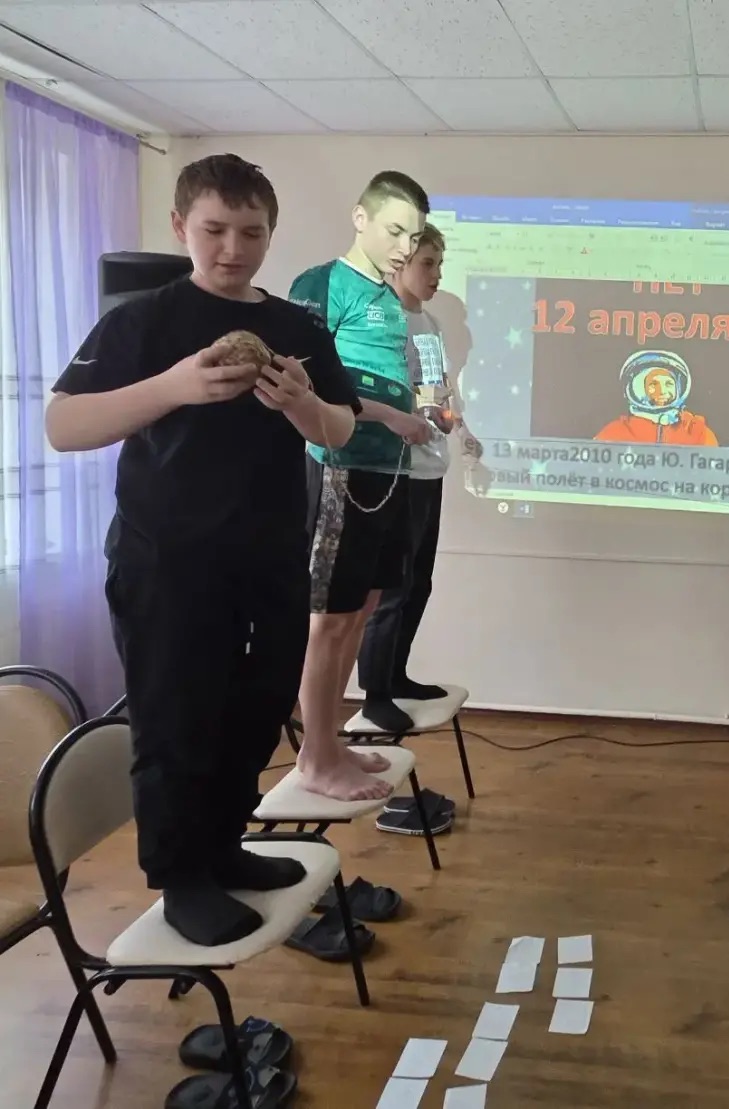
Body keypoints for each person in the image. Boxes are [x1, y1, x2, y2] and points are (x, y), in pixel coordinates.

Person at [45, 154, 359, 946]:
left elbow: (340, 429)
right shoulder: (142, 321)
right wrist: (174, 386)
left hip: (270, 555)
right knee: (175, 717)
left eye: (251, 233)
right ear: (181, 226)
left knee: (258, 709)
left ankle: (224, 844)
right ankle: (181, 874)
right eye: (215, 230)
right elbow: (63, 425)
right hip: (166, 560)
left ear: (270, 234)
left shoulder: (297, 327)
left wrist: (302, 405)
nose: (232, 249)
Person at [290, 171, 431, 802]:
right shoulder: (322, 284)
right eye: (395, 231)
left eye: (415, 237)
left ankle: (330, 741)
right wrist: (392, 417)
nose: (405, 248)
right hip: (340, 467)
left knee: (364, 608)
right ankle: (314, 757)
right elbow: (308, 381)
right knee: (330, 618)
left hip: (389, 472)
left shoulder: (390, 299)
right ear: (360, 218)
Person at [354, 224, 481, 834]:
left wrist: (458, 423)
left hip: (429, 468)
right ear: (398, 263)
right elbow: (367, 396)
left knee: (419, 581)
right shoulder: (379, 324)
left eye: (439, 264)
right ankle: (375, 693)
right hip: (395, 471)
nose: (436, 275)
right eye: (428, 263)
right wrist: (412, 415)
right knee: (391, 587)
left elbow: (436, 392)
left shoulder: (427, 325)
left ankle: (397, 674)